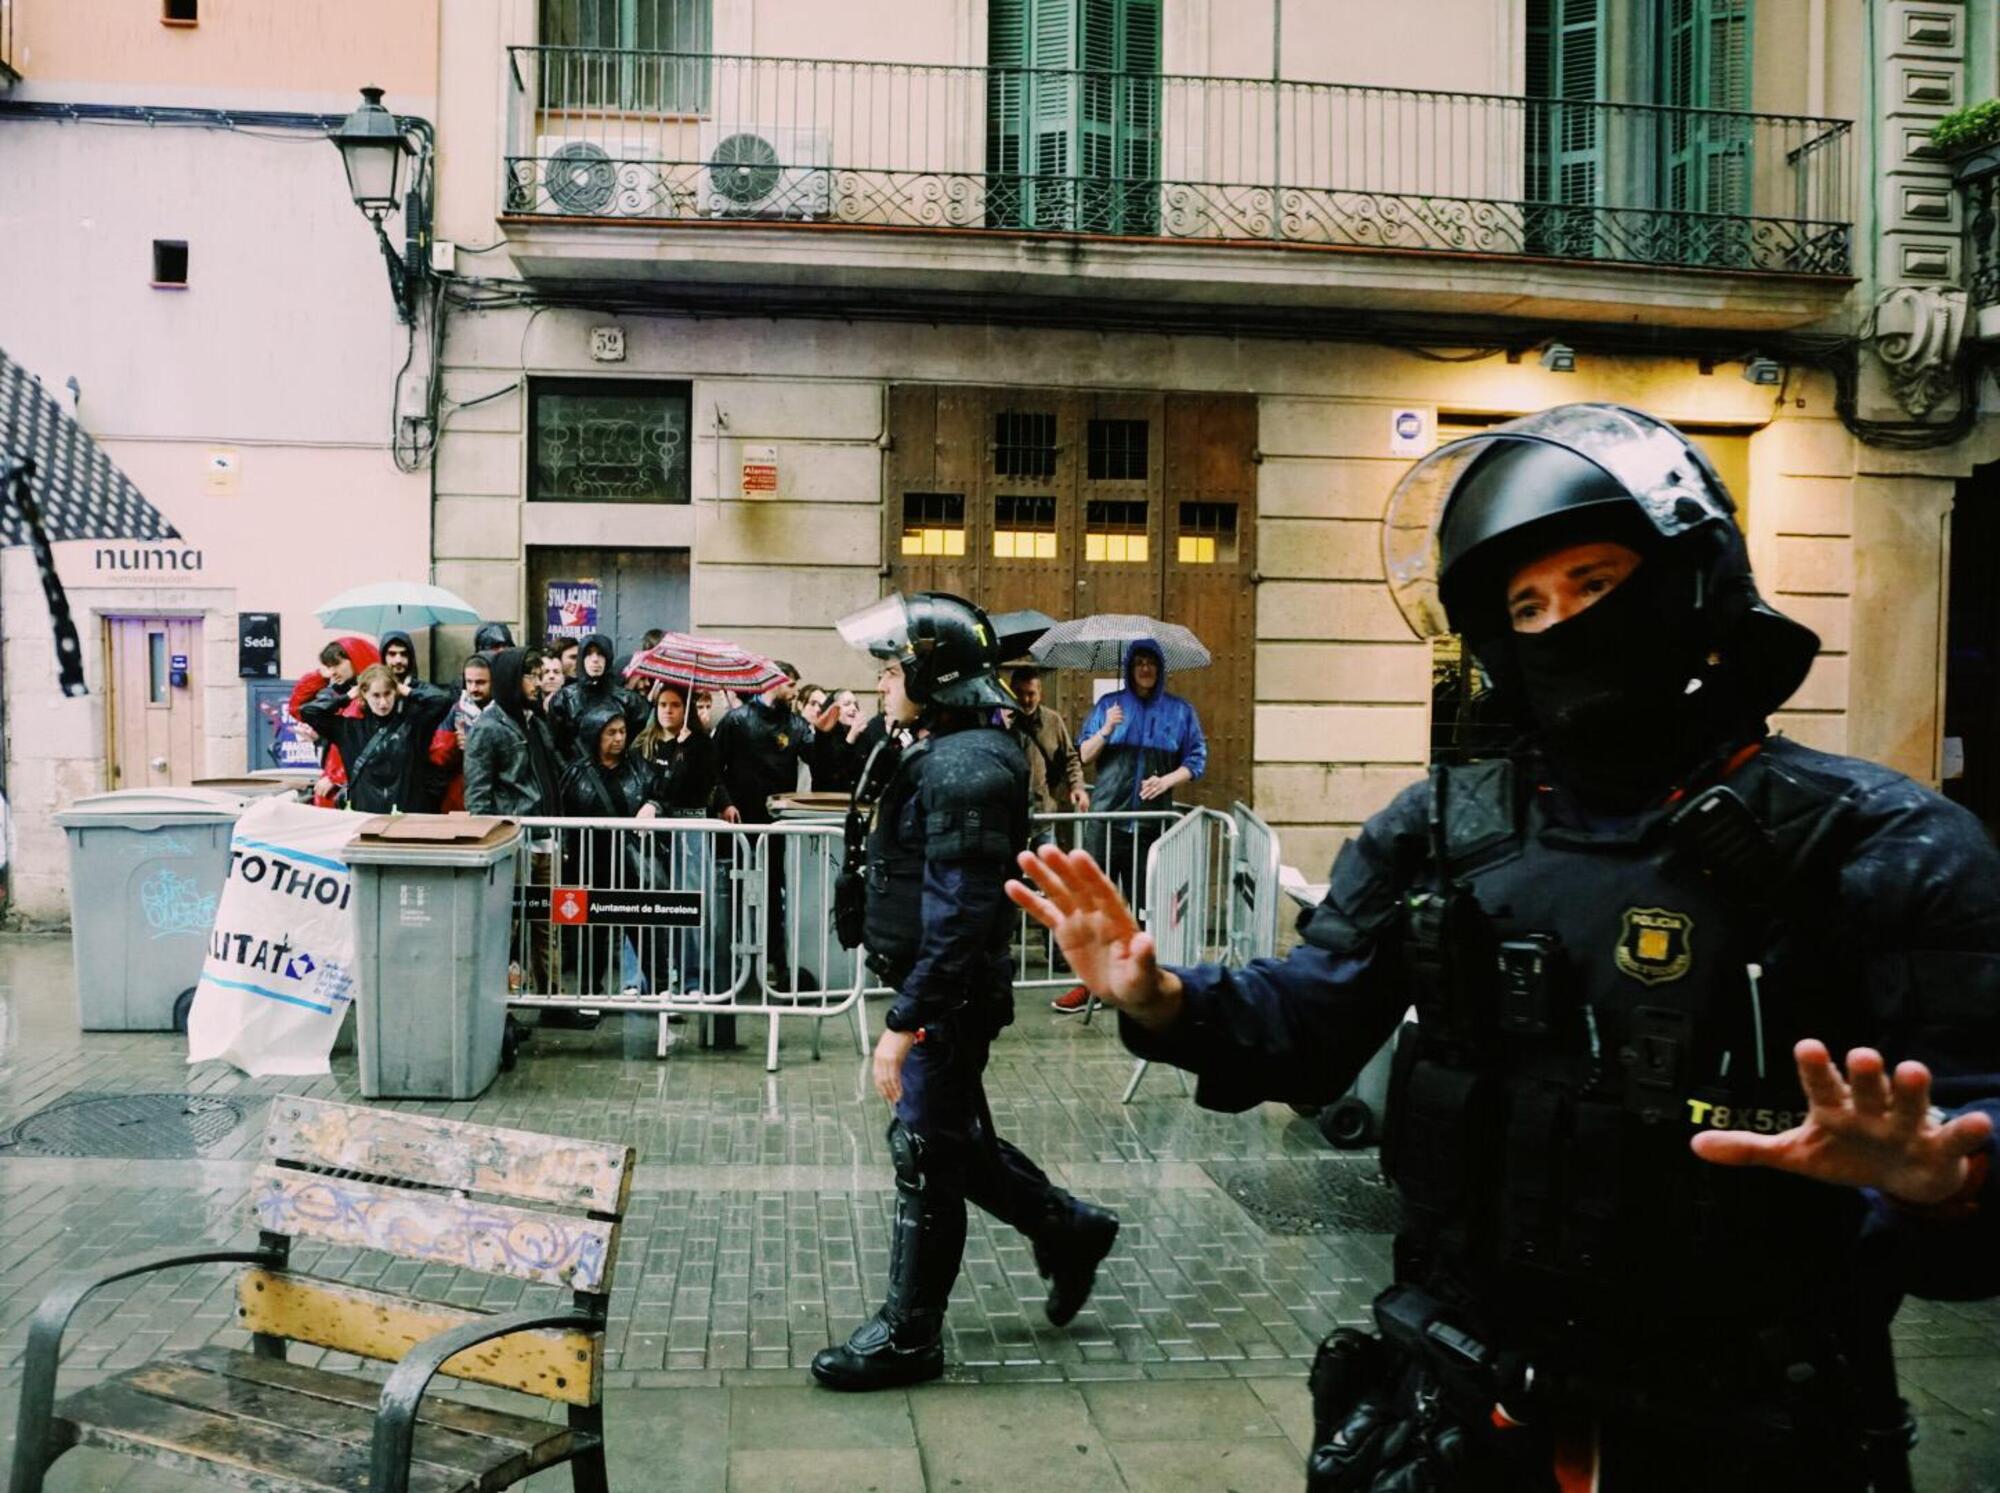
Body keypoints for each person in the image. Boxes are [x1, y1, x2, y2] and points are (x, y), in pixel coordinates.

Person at [1008, 403, 2000, 1493]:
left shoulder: (1884, 844)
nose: (1560, 621)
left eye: (1594, 580)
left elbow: (1967, 1124)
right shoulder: (1436, 828)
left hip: (1749, 1423)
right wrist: (1161, 997)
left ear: (1693, 584)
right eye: (1525, 603)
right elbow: (1304, 1023)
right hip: (1460, 1407)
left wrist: (1936, 1181)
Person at [810, 592, 1119, 1392]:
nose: (881, 682)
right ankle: (1071, 1227)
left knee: (924, 1148)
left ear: (931, 673)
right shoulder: (942, 746)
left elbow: (961, 914)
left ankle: (911, 1336)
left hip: (947, 998)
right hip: (938, 990)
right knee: (953, 1142)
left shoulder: (971, 765)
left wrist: (904, 1022)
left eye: (893, 667)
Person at [1052, 639, 1207, 1012]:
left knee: (1145, 909)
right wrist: (1106, 729)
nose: (1144, 669)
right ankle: (1089, 985)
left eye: (1150, 662)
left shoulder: (1180, 711)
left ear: (1160, 668)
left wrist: (1167, 780)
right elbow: (1082, 755)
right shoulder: (1110, 706)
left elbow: (1197, 759)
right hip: (1107, 821)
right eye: (1137, 662)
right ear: (1129, 668)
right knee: (1096, 907)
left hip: (1151, 828)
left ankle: (1138, 984)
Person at [711, 663, 847, 986]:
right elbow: (714, 768)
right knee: (734, 892)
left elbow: (823, 766)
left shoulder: (797, 725)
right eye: (789, 685)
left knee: (772, 893)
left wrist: (827, 737)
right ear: (772, 683)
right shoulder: (737, 720)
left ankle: (773, 959)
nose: (793, 691)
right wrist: (724, 802)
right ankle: (729, 963)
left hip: (776, 825)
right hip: (740, 822)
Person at [466, 648, 563, 998]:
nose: (538, 683)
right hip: (513, 842)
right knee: (508, 927)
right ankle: (498, 1007)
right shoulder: (489, 727)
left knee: (546, 924)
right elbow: (478, 794)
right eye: (530, 676)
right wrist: (491, 844)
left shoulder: (533, 720)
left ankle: (552, 998)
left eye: (540, 675)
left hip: (545, 837)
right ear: (511, 679)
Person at [558, 697, 667, 998]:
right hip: (589, 864)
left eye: (622, 731)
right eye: (611, 732)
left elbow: (661, 795)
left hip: (631, 864)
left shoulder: (640, 768)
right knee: (591, 934)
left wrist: (653, 805)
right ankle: (589, 994)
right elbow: (563, 813)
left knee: (645, 930)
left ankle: (660, 991)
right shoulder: (576, 773)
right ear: (595, 735)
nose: (619, 738)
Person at [634, 682, 728, 1003]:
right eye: (662, 705)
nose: (667, 711)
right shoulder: (645, 744)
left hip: (691, 827)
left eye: (675, 705)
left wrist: (686, 751)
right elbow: (655, 787)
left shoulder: (701, 744)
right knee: (646, 903)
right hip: (655, 831)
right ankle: (646, 978)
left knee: (691, 906)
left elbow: (705, 782)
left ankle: (692, 977)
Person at [297, 663, 453, 815]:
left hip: (407, 818)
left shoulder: (414, 725)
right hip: (366, 819)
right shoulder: (349, 729)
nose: (383, 703)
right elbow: (308, 712)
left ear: (395, 692)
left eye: (388, 693)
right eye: (376, 695)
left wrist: (406, 690)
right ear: (364, 694)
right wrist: (347, 696)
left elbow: (443, 700)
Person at [290, 637, 379, 808]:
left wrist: (336, 777)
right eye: (329, 666)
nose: (332, 672)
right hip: (336, 787)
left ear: (354, 659)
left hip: (349, 790)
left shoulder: (372, 700)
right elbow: (297, 709)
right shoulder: (341, 693)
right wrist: (319, 675)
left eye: (336, 664)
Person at [548, 633, 649, 759]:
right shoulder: (564, 700)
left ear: (608, 658)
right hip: (578, 773)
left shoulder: (628, 701)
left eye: (600, 654)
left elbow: (636, 745)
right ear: (581, 659)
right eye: (589, 654)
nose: (595, 659)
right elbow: (557, 747)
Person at [1009, 667, 1090, 818]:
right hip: (1010, 812)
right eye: (1020, 693)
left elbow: (1070, 758)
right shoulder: (1003, 721)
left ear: (1040, 694)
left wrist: (1077, 786)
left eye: (1031, 694)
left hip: (1043, 810)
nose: (1026, 700)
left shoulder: (1053, 721)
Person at [428, 653, 492, 813]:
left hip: (495, 793)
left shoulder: (503, 711)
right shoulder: (458, 709)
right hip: (460, 793)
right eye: (469, 682)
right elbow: (438, 755)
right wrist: (452, 743)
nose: (473, 688)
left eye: (480, 682)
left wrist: (475, 743)